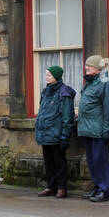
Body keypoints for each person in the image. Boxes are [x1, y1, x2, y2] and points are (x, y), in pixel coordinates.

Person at [76, 54, 109, 203]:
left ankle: (105, 190)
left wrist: (108, 130)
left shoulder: (105, 83)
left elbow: (108, 110)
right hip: (88, 129)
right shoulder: (90, 83)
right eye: (86, 65)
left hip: (99, 130)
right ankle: (98, 186)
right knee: (93, 161)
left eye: (90, 66)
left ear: (98, 69)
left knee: (100, 161)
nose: (86, 68)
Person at [35, 65, 76, 197]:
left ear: (56, 77)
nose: (46, 77)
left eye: (49, 75)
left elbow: (67, 116)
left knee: (59, 162)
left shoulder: (63, 93)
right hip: (45, 133)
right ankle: (51, 186)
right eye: (46, 74)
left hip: (56, 133)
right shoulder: (45, 91)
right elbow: (43, 110)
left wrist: (65, 135)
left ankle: (61, 188)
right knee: (49, 162)